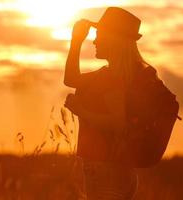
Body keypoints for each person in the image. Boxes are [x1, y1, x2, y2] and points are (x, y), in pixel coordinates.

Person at [64, 7, 148, 199]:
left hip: (105, 170)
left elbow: (118, 123)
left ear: (113, 40)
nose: (94, 41)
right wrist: (76, 42)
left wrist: (80, 111)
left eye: (99, 35)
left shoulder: (111, 79)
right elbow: (71, 79)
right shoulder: (121, 75)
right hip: (119, 169)